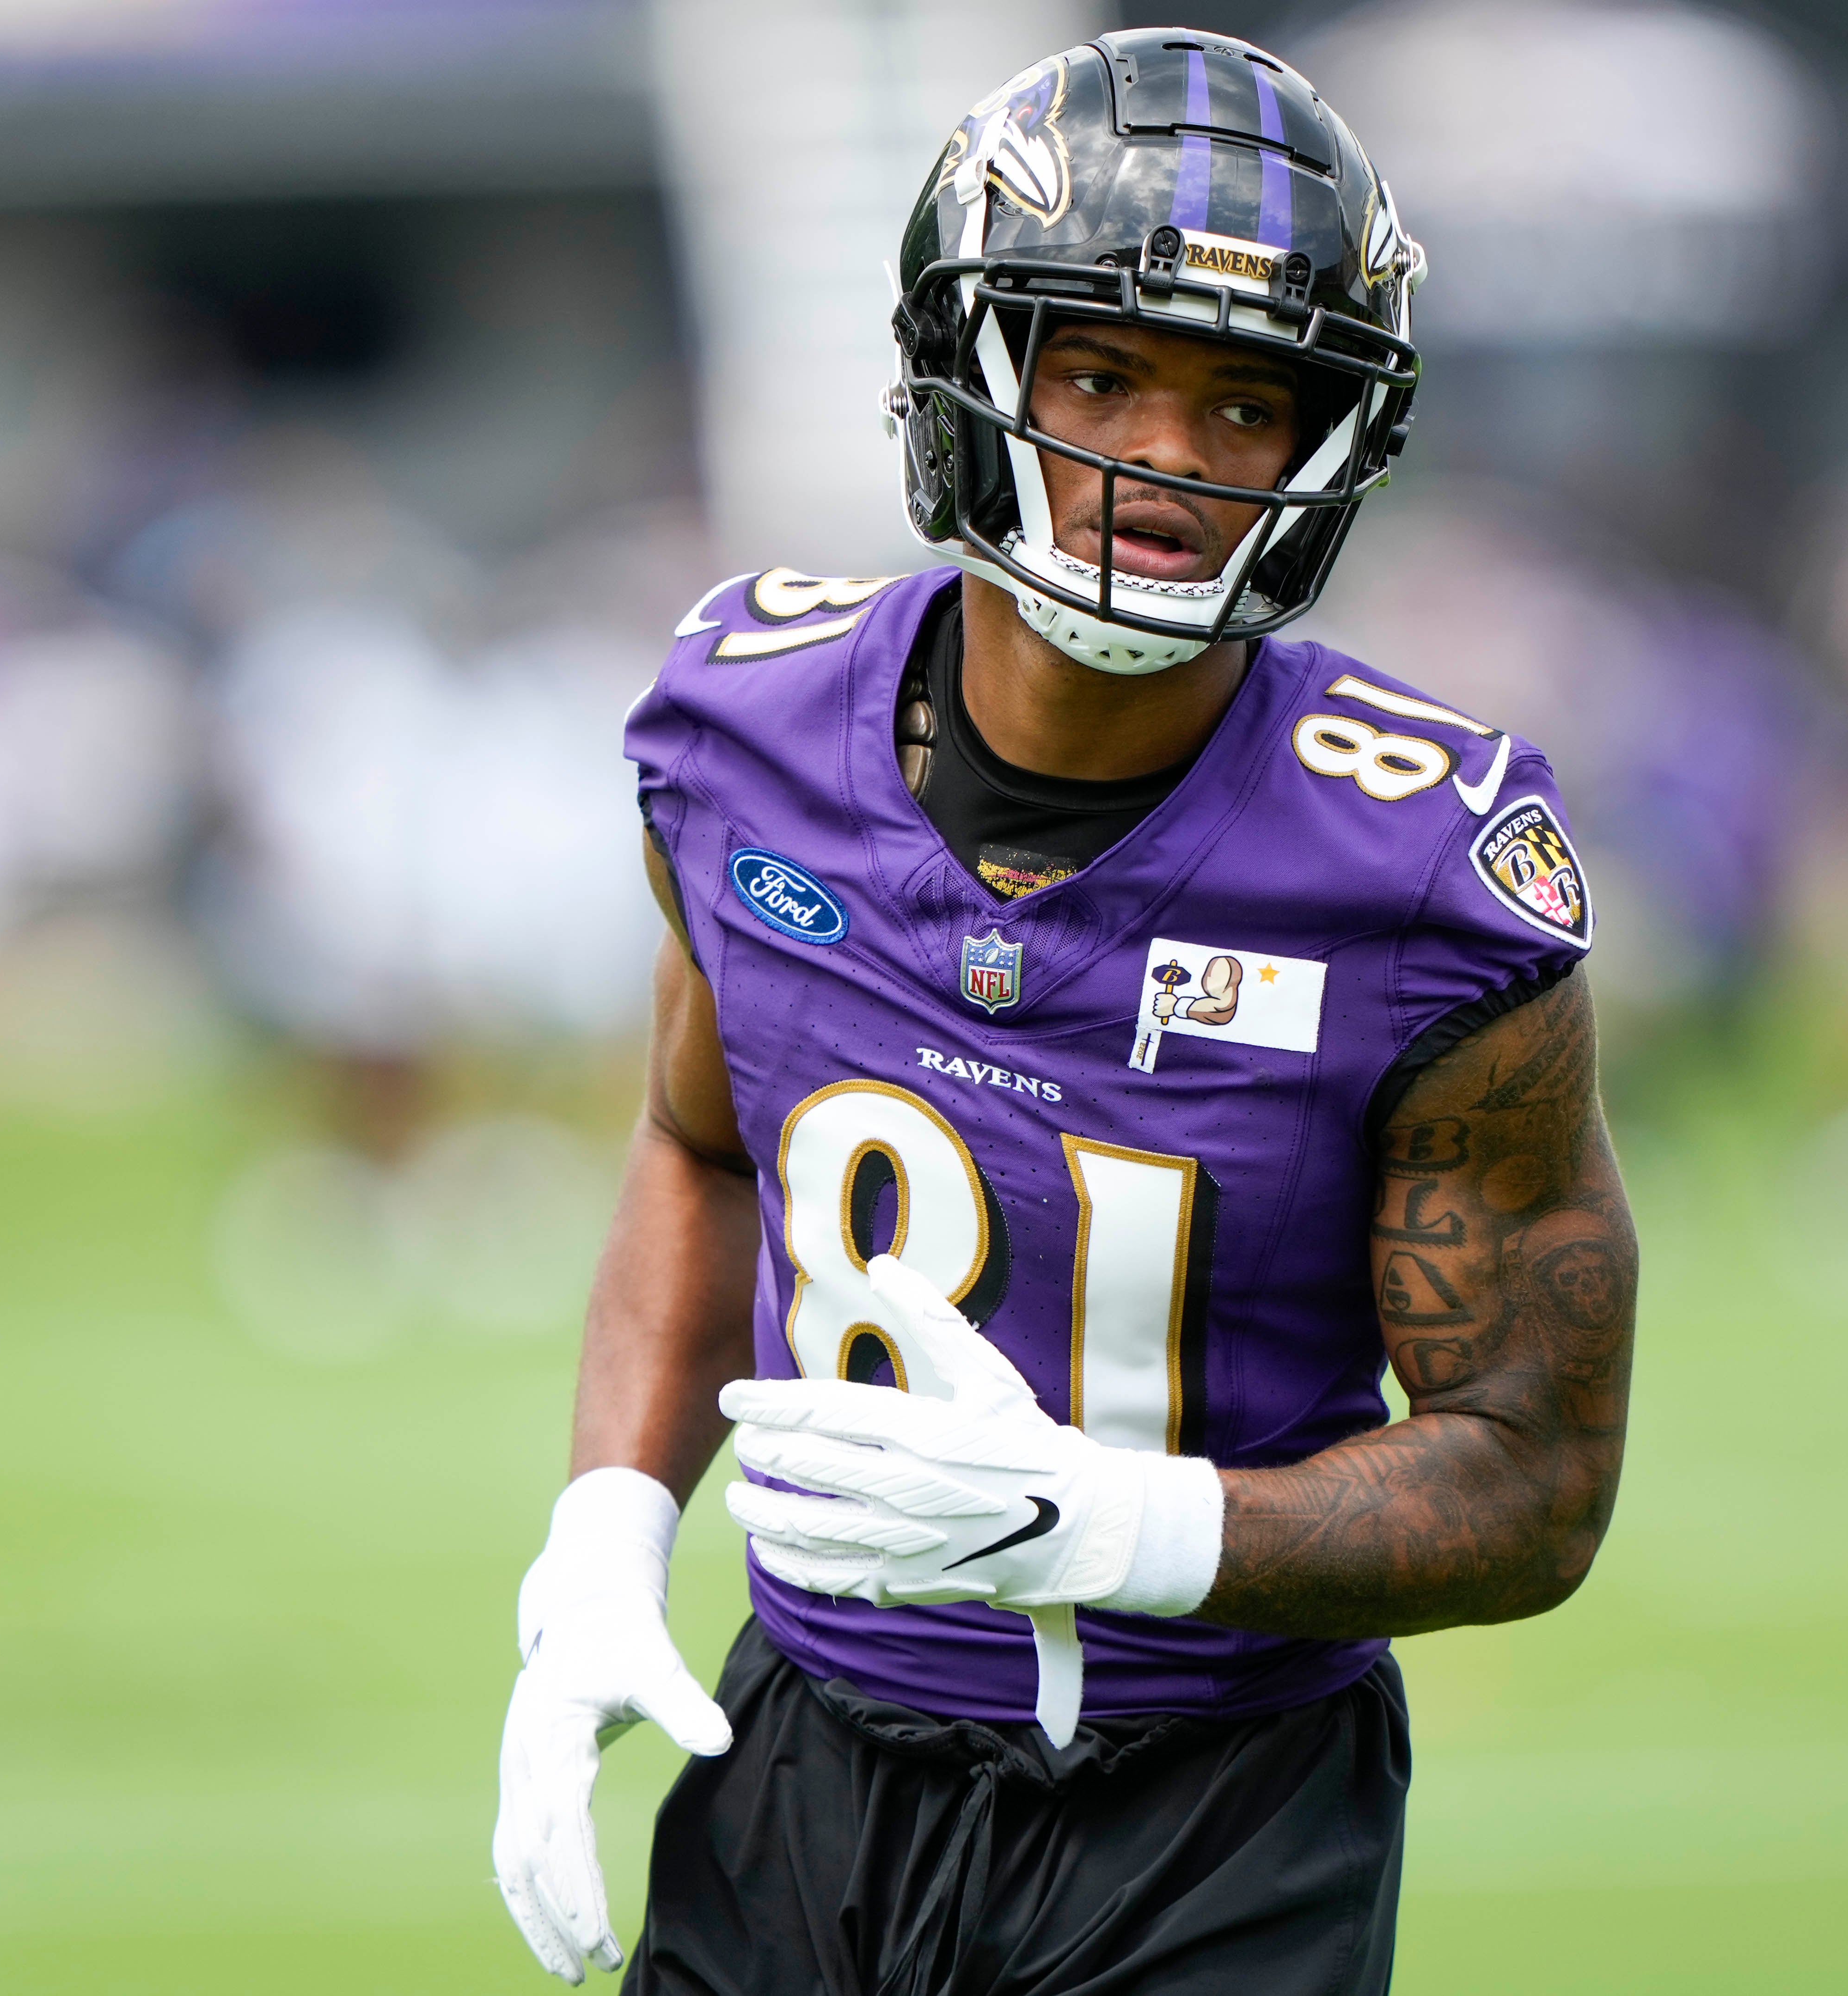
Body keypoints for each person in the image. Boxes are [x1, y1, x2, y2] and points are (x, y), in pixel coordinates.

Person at [492, 30, 1637, 1994]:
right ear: (970, 367)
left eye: (1243, 401)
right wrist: (603, 1531)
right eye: (1102, 371)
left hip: (1213, 1813)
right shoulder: (745, 733)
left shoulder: (1422, 863)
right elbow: (700, 1141)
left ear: (1329, 444)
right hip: (804, 1770)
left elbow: (1530, 1478)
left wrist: (1133, 1529)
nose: (1165, 462)